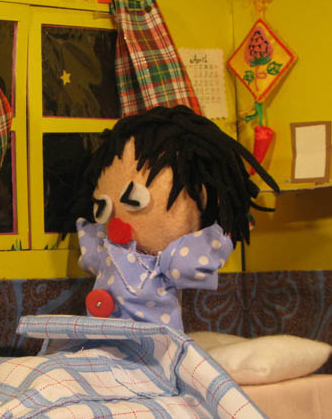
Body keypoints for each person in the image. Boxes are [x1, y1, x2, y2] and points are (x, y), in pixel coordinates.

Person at [72, 105, 279, 330]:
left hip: (153, 343)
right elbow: (91, 257)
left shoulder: (170, 261)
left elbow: (195, 259)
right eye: (102, 204)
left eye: (134, 201)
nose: (117, 218)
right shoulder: (104, 248)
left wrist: (226, 229)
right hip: (100, 336)